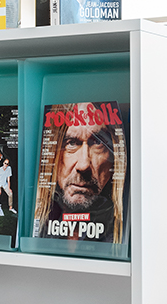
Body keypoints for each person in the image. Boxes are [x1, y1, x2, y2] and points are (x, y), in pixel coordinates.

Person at [41, 102, 123, 244]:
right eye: (71, 143)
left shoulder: (126, 233)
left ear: (114, 156)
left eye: (98, 143)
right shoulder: (34, 226)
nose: (84, 165)